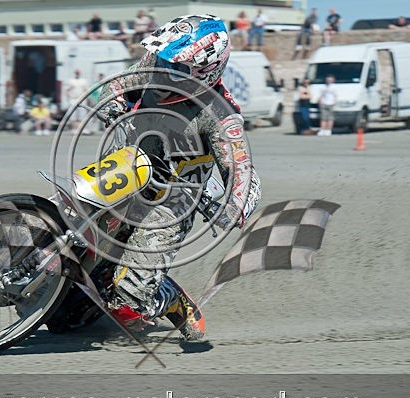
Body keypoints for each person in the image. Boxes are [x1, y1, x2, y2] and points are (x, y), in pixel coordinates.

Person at [96, 14, 262, 340]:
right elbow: (113, 86)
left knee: (126, 301)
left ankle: (168, 298)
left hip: (172, 201)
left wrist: (233, 208)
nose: (160, 69)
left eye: (172, 67)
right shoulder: (156, 63)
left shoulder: (220, 116)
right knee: (71, 220)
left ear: (203, 73)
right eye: (160, 59)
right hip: (124, 165)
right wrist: (110, 102)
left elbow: (244, 175)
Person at [65, 69, 91, 134]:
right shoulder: (71, 81)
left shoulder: (84, 81)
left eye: (78, 72)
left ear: (80, 73)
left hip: (82, 99)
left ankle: (83, 129)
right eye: (76, 72)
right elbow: (67, 90)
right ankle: (74, 129)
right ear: (74, 73)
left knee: (82, 115)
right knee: (73, 115)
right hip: (73, 99)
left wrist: (87, 99)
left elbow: (86, 90)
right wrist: (70, 98)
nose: (77, 73)